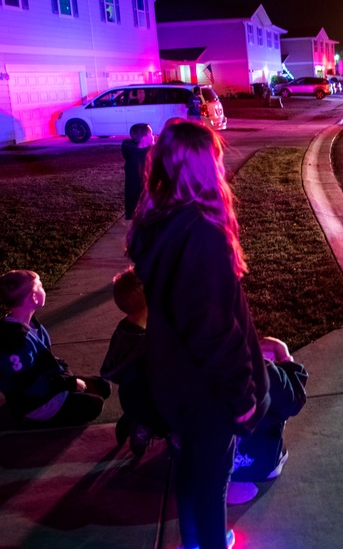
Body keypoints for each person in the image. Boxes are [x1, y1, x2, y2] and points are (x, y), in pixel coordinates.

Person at [127, 121, 270, 549]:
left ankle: (195, 540)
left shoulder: (157, 221)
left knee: (192, 466)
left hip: (174, 375)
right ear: (204, 168)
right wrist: (242, 396)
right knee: (211, 476)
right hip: (204, 385)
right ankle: (209, 542)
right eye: (216, 160)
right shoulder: (200, 234)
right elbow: (212, 329)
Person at [0, 270, 111, 427]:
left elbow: (48, 360)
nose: (44, 289)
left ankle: (65, 397)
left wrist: (66, 377)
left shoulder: (31, 323)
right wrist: (69, 383)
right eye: (41, 286)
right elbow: (29, 386)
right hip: (34, 402)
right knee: (95, 405)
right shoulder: (13, 342)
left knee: (103, 387)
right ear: (33, 297)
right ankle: (34, 419)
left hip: (49, 383)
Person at [228, 336, 308, 504]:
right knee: (275, 406)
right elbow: (293, 401)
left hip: (204, 465)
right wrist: (283, 355)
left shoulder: (185, 363)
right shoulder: (258, 368)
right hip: (255, 462)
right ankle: (270, 463)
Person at [100, 267, 170, 458]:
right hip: (150, 405)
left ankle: (136, 420)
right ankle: (148, 426)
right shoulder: (147, 344)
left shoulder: (123, 330)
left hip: (130, 398)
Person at [122, 123, 154, 220]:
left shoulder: (143, 153)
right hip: (141, 207)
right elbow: (134, 187)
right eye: (151, 134)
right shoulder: (137, 159)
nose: (153, 136)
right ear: (144, 139)